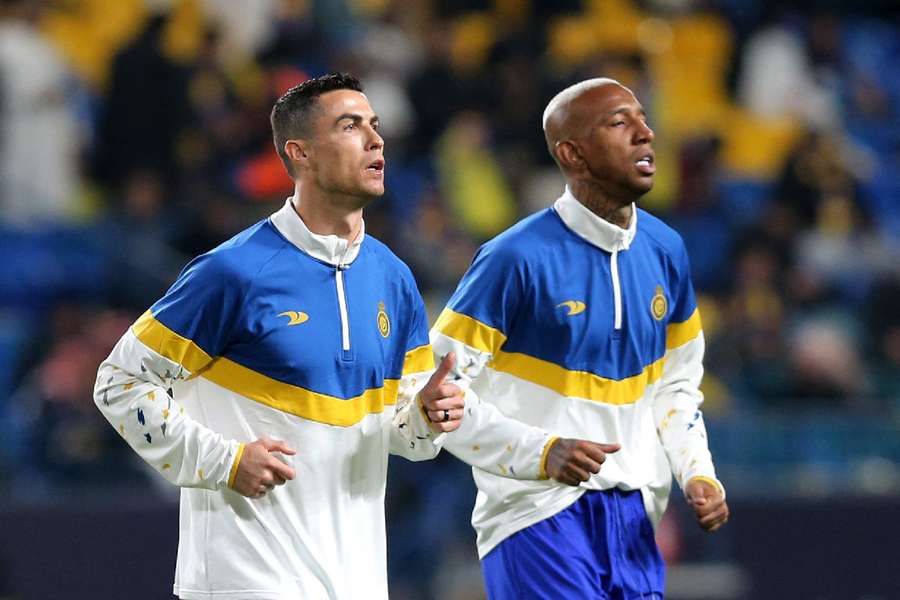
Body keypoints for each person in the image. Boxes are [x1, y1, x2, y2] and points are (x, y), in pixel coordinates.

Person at [92, 73, 469, 600]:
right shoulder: (233, 272)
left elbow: (401, 435)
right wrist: (223, 461)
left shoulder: (394, 278)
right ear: (301, 153)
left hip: (356, 581)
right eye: (350, 125)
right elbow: (119, 382)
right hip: (243, 580)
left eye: (375, 126)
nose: (375, 139)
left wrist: (428, 416)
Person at [430, 78, 731, 599]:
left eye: (642, 118)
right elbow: (431, 395)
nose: (646, 133)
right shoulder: (514, 258)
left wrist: (697, 472)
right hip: (537, 515)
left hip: (637, 517)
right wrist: (539, 452)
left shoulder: (666, 250)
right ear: (572, 153)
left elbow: (676, 386)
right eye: (620, 123)